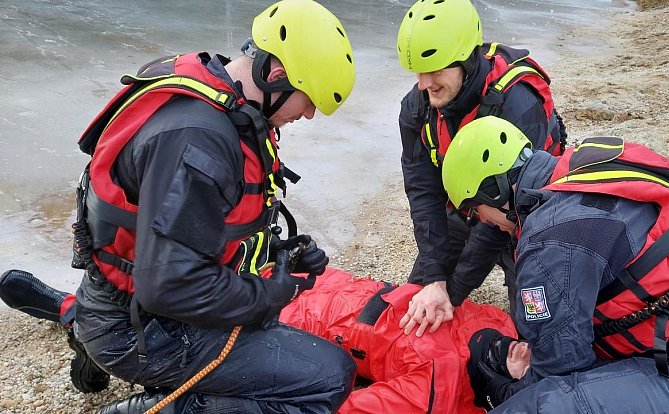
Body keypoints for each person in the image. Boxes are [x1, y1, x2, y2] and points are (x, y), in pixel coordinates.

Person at [39, 0, 359, 412]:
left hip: (125, 302)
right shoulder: (196, 142)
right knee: (330, 378)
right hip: (140, 328)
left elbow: (197, 225)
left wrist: (282, 252)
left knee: (275, 333)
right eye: (310, 99)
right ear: (277, 75)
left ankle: (83, 329)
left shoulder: (223, 101)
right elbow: (170, 287)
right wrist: (269, 294)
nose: (311, 115)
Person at [440, 116, 669, 413]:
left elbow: (560, 371)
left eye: (475, 210)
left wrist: (504, 391)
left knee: (530, 406)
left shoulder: (548, 240)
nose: (484, 221)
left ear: (495, 191)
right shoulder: (577, 171)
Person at [1, 267, 527, 413]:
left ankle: (73, 315)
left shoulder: (438, 390)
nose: (526, 352)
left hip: (293, 326)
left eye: (524, 368)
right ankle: (82, 321)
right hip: (310, 288)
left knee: (310, 396)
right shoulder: (502, 326)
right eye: (534, 353)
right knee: (173, 294)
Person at [395, 0, 567, 337]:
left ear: (466, 59)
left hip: (524, 216)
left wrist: (454, 291)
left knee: (535, 330)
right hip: (471, 204)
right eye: (417, 71)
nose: (423, 83)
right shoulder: (417, 107)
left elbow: (501, 220)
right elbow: (424, 193)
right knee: (418, 302)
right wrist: (434, 279)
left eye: (436, 69)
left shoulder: (517, 104)